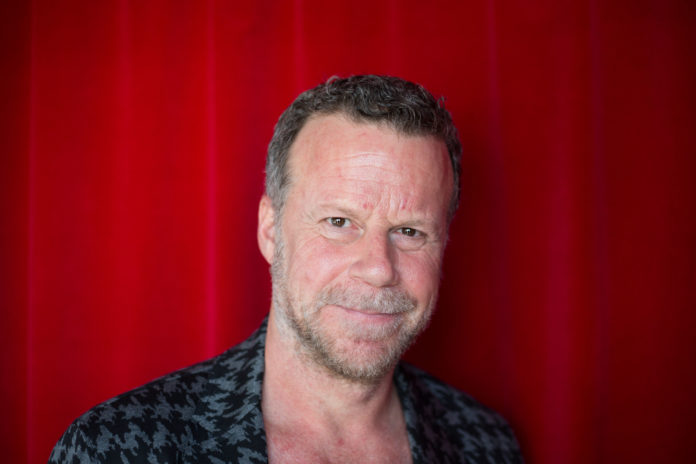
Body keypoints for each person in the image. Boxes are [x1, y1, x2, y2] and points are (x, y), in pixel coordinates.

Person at [49, 75, 523, 463]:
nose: (380, 269)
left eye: (410, 231)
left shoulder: (486, 444)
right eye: (339, 222)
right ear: (271, 231)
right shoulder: (115, 447)